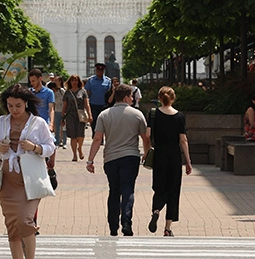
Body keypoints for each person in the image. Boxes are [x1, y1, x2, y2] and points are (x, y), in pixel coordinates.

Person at [0, 84, 56, 259]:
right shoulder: (1, 122)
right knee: (12, 224)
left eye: (18, 105)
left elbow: (50, 146)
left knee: (26, 220)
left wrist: (35, 147)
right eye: (10, 106)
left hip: (31, 179)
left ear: (26, 103)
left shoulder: (38, 123)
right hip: (7, 179)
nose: (14, 110)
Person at [86, 84, 150, 236]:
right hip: (131, 156)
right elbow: (145, 138)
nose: (133, 99)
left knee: (114, 190)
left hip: (111, 158)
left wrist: (90, 160)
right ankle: (126, 222)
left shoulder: (104, 114)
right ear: (127, 97)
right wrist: (147, 153)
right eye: (132, 96)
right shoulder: (137, 114)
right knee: (128, 189)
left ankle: (113, 225)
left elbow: (97, 138)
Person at [148, 86, 192, 236]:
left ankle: (156, 209)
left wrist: (147, 151)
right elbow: (183, 139)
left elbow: (148, 134)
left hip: (159, 154)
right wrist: (188, 160)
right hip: (174, 155)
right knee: (174, 189)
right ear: (173, 98)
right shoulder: (179, 116)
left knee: (159, 186)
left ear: (159, 98)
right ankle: (167, 228)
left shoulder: (153, 114)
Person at [27, 69, 57, 187]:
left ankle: (51, 165)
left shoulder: (49, 93)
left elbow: (51, 109)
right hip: (32, 125)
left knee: (52, 143)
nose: (32, 83)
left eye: (34, 81)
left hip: (44, 123)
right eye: (31, 81)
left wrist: (51, 124)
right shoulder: (29, 93)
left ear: (40, 79)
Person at [63, 75, 90, 161]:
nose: (74, 82)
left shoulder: (83, 91)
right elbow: (64, 105)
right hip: (70, 115)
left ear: (79, 82)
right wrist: (62, 117)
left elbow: (86, 104)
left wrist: (90, 114)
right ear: (70, 82)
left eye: (76, 80)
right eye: (72, 80)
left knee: (81, 134)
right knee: (73, 136)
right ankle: (74, 154)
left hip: (80, 115)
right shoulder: (67, 92)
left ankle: (80, 148)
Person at [84, 62, 112, 131]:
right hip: (93, 104)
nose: (100, 72)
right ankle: (95, 136)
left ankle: (101, 138)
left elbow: (110, 93)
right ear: (96, 70)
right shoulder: (91, 80)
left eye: (101, 70)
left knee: (104, 122)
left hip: (104, 105)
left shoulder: (108, 81)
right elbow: (87, 92)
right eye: (98, 70)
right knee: (94, 122)